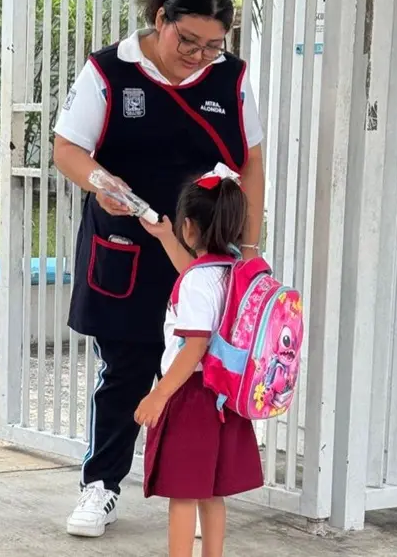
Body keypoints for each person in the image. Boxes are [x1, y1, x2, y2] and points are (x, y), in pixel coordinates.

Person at [53, 0, 265, 538]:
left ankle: (196, 495)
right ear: (160, 21)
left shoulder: (232, 80)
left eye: (213, 45)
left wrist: (247, 252)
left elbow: (251, 163)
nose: (199, 56)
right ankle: (100, 486)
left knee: (206, 378)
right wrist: (103, 184)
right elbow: (68, 149)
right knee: (125, 369)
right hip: (128, 244)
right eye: (187, 41)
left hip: (206, 258)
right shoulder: (109, 70)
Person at [134, 166, 264, 557]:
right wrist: (163, 238)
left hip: (191, 396)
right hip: (225, 394)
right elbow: (191, 271)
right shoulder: (233, 271)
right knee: (212, 492)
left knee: (183, 494)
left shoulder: (197, 281)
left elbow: (194, 346)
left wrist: (158, 395)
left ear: (188, 227)